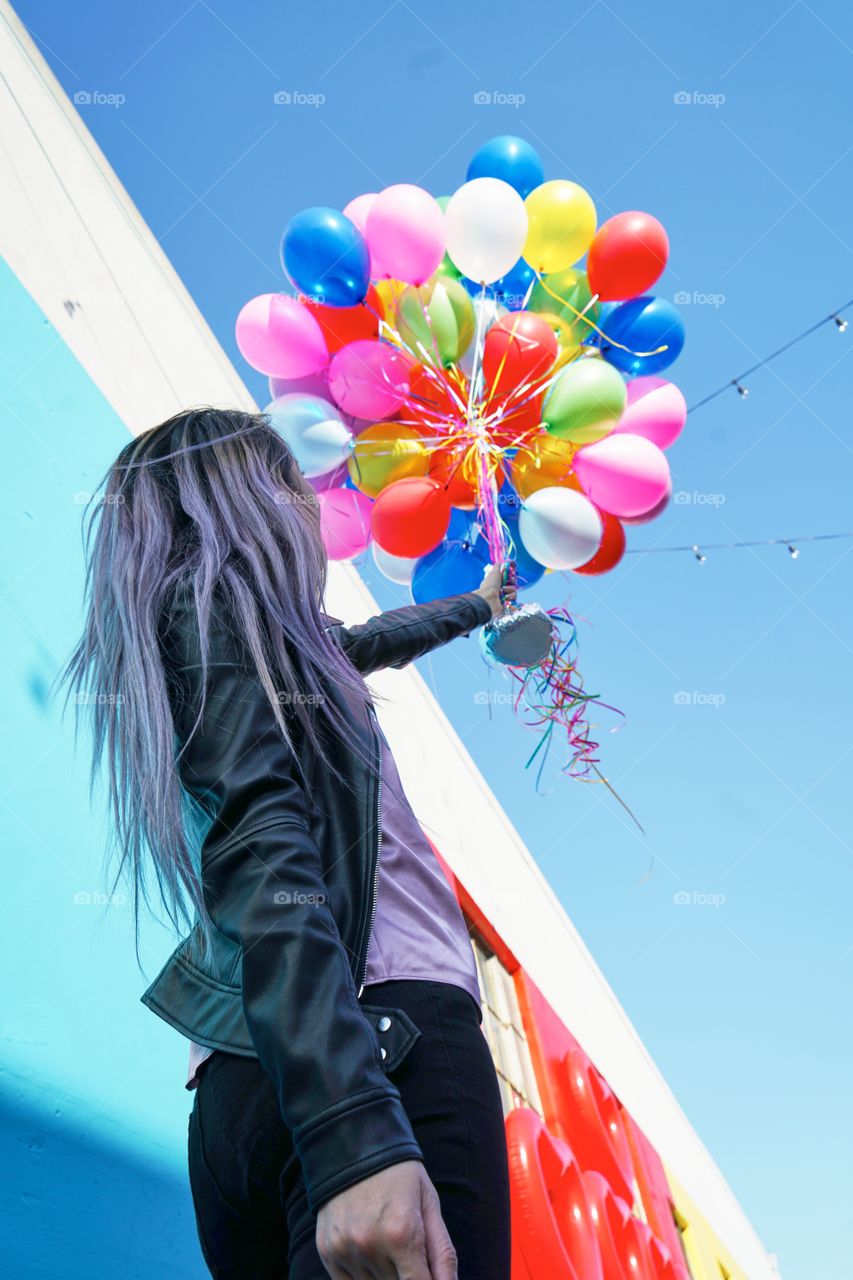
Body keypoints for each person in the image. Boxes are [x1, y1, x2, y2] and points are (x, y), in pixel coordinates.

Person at [63, 407, 513, 1279]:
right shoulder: (223, 618)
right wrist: (351, 1132)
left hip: (246, 1091)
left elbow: (385, 638)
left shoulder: (276, 647)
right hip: (375, 1043)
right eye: (288, 485)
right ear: (242, 502)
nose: (310, 508)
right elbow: (266, 864)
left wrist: (481, 604)